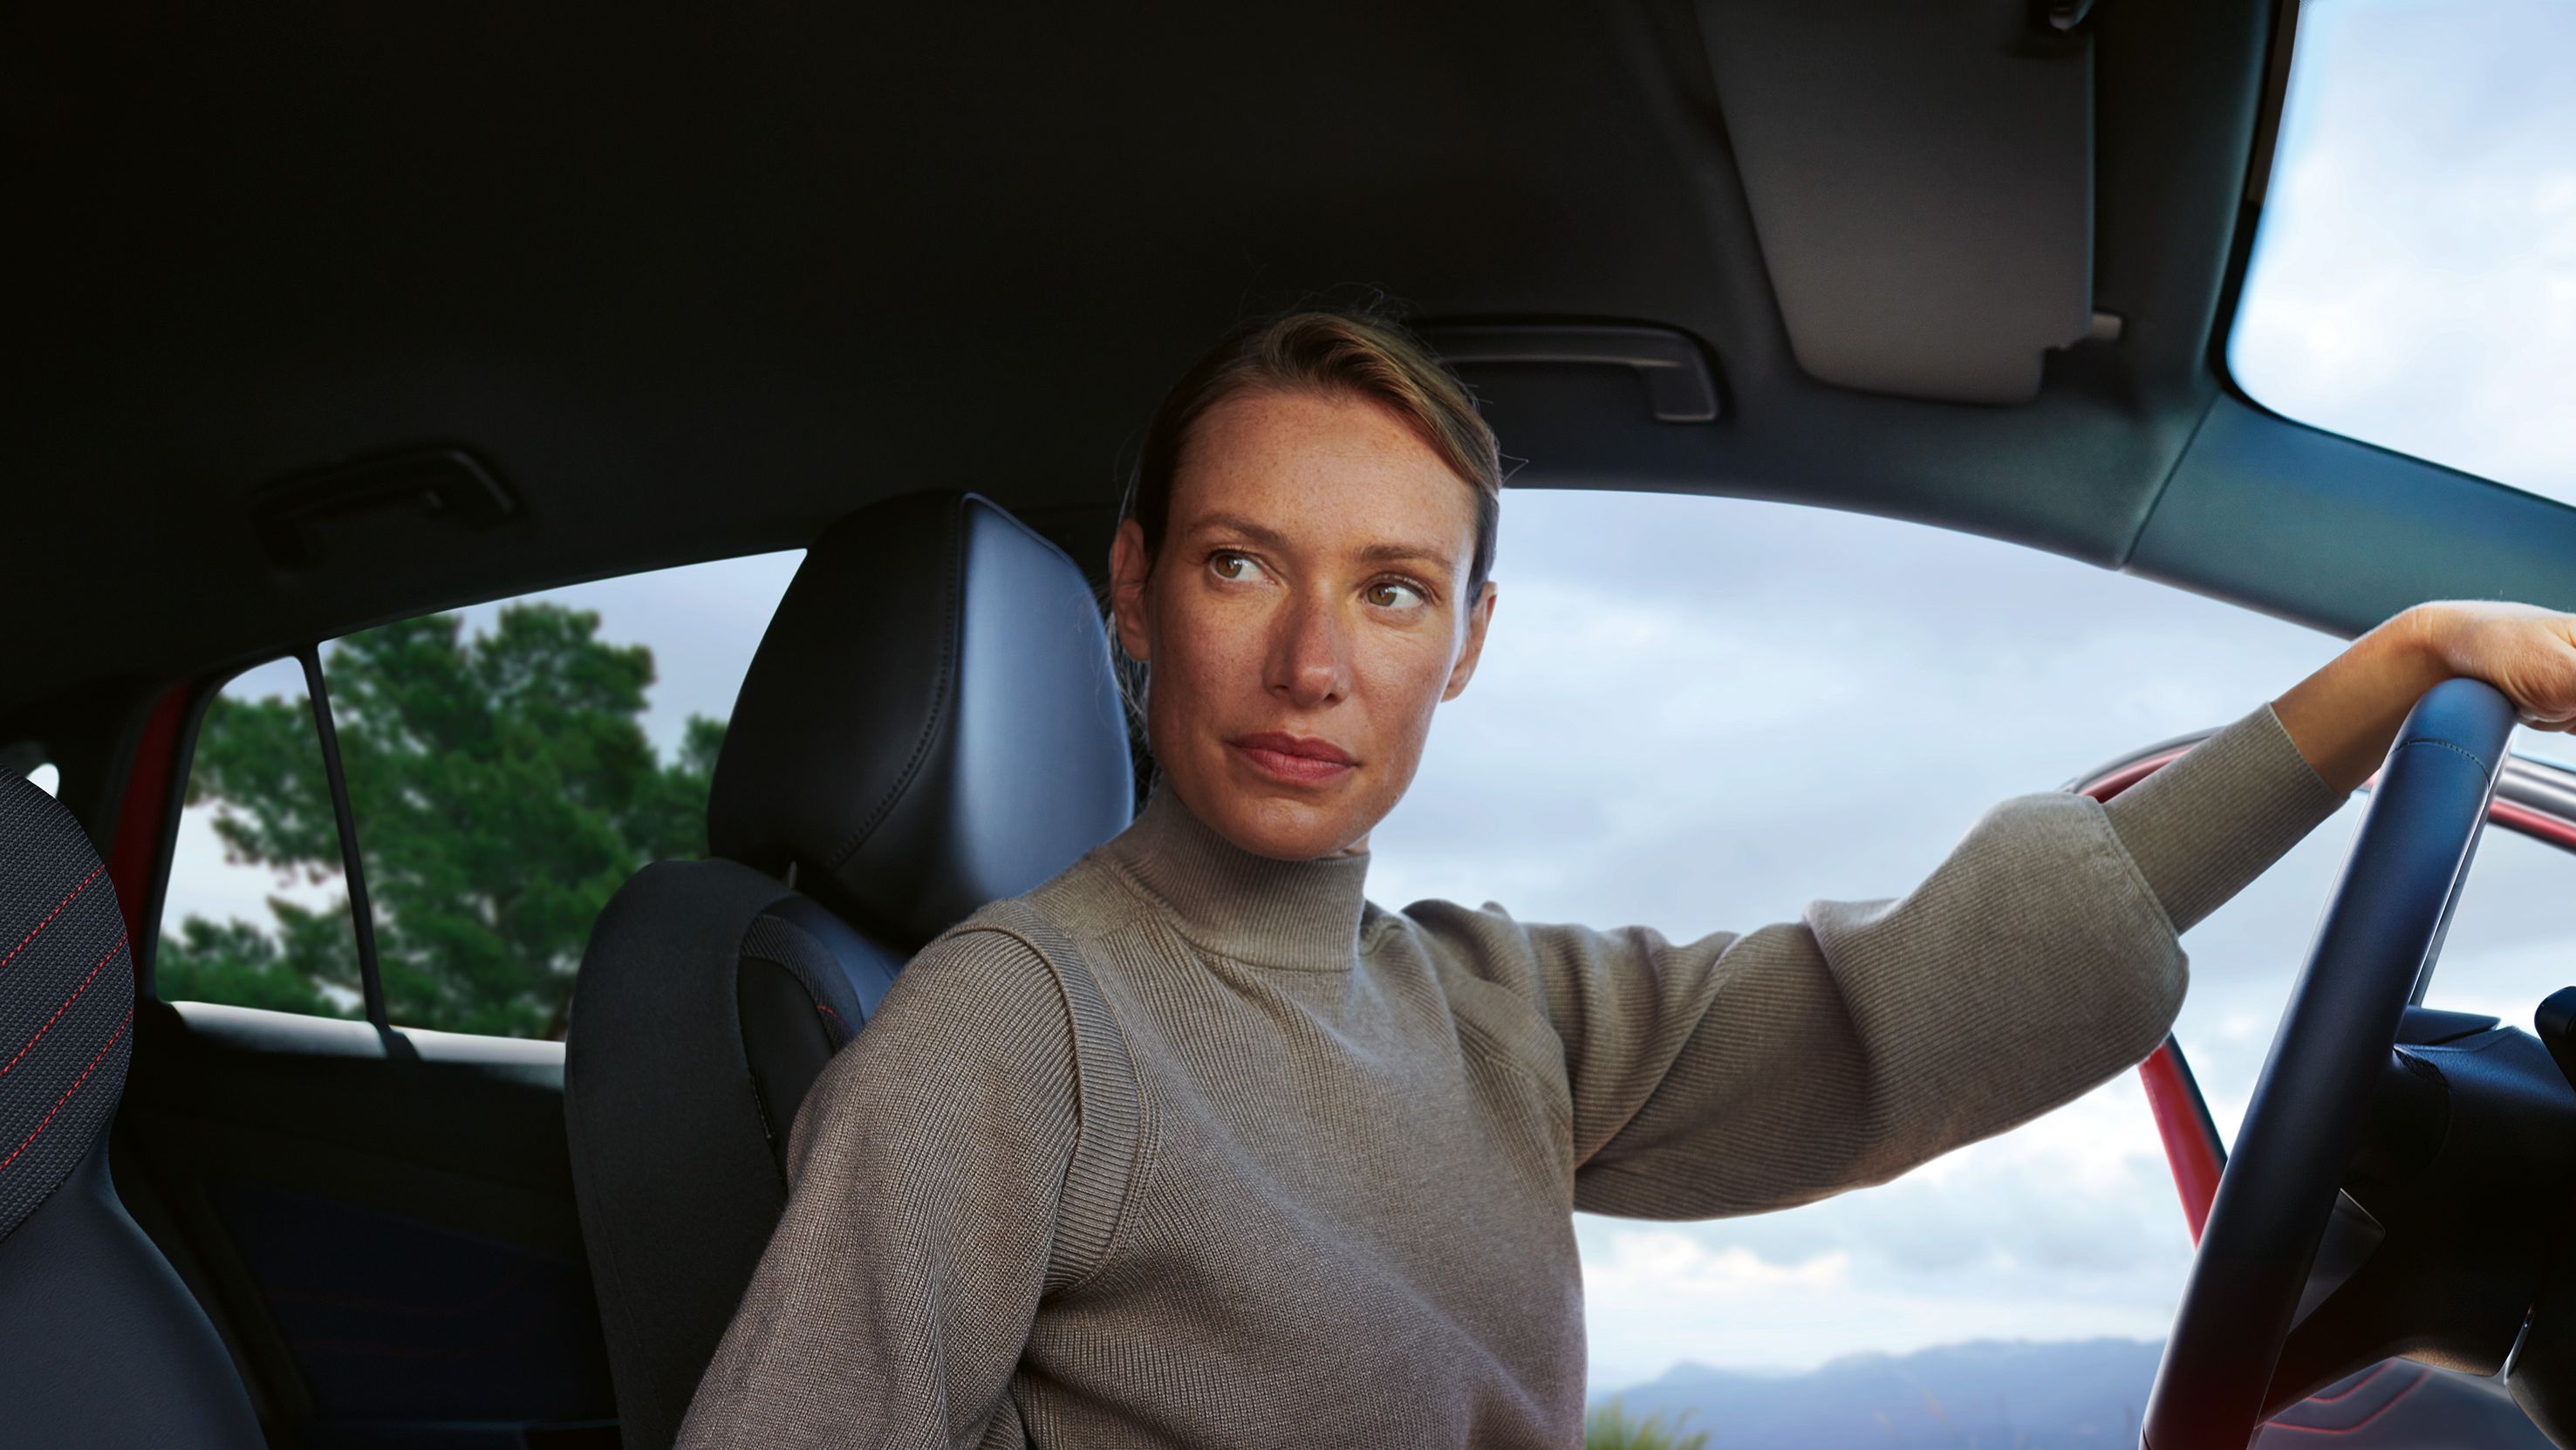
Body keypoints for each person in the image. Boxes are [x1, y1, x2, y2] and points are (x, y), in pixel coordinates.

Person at [677, 306, 2576, 1449]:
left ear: (1470, 640)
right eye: (1243, 564)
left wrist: (2391, 671)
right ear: (1133, 590)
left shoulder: (1482, 1004)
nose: (1313, 665)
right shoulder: (1010, 1028)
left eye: (1392, 590)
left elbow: (1912, 1005)